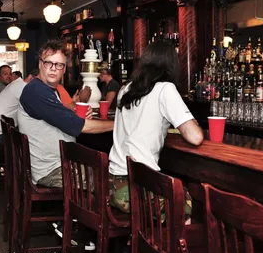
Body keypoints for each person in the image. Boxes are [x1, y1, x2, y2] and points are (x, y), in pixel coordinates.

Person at [109, 41, 204, 221]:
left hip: (113, 183)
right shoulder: (165, 89)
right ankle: (166, 248)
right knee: (183, 200)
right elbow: (195, 137)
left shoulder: (125, 89)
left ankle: (140, 241)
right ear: (172, 65)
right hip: (135, 188)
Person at [18, 40, 113, 188]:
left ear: (64, 70)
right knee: (109, 180)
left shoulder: (47, 90)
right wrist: (119, 123)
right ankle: (86, 210)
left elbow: (58, 116)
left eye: (59, 65)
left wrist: (73, 113)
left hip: (60, 164)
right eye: (48, 63)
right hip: (52, 171)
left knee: (106, 169)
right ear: (40, 64)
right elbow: (81, 127)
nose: (53, 69)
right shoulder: (36, 91)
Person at [0, 68, 39, 148]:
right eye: (39, 82)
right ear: (31, 77)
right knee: (30, 143)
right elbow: (35, 109)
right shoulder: (23, 88)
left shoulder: (17, 83)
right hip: (0, 135)